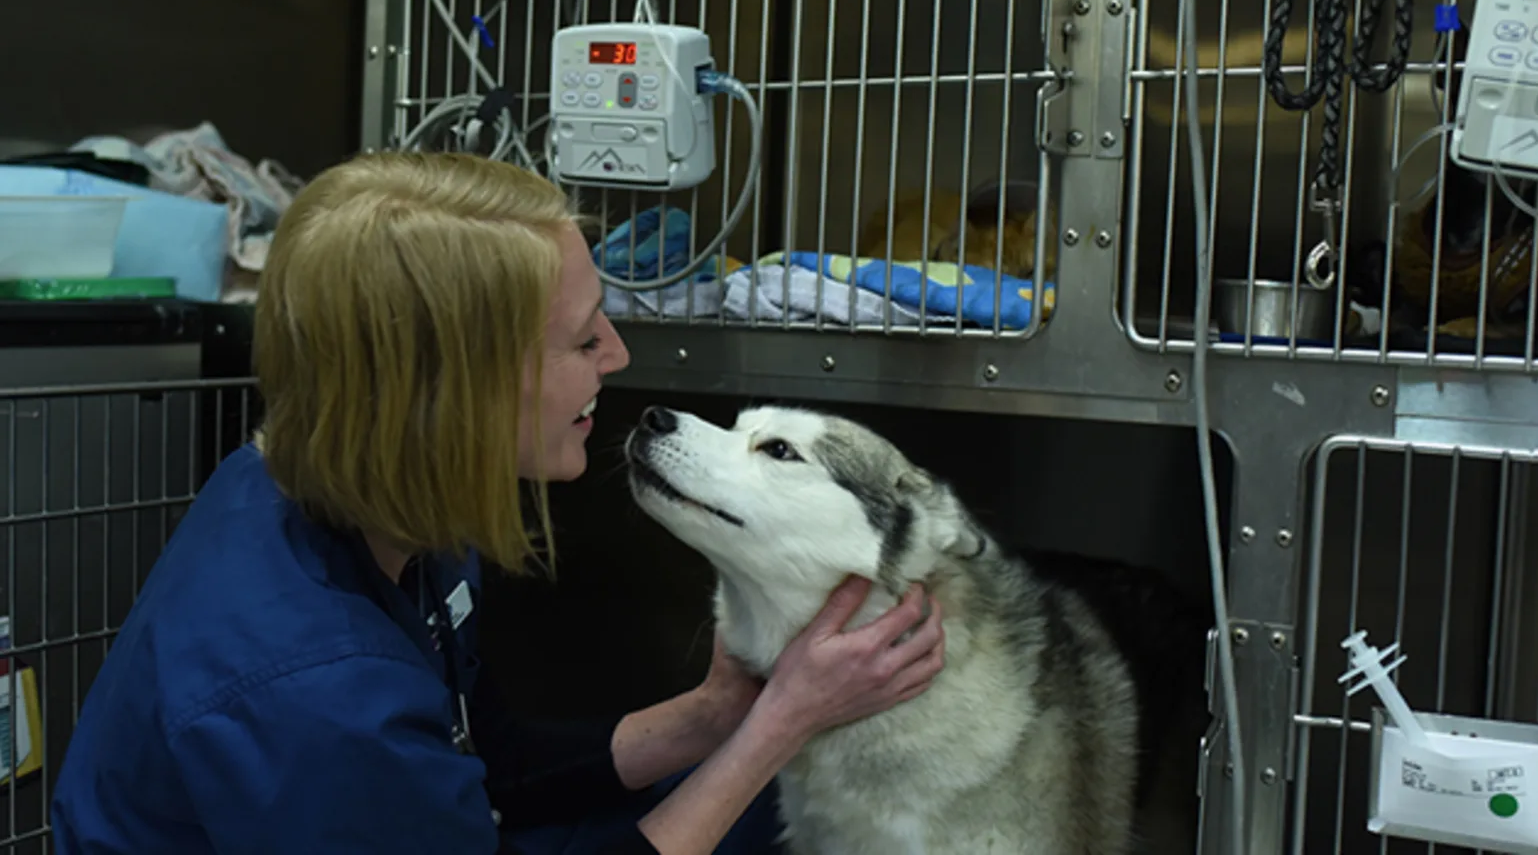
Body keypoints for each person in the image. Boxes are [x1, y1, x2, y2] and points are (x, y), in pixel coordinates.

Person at [49, 151, 946, 854]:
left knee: (756, 804)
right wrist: (781, 724)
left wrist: (719, 716)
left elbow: (484, 763)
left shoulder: (361, 492)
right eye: (582, 336)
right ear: (459, 395)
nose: (618, 355)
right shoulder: (315, 698)